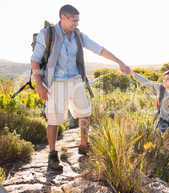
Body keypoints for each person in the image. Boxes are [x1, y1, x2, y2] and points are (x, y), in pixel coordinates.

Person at [31, 4, 131, 171]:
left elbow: (100, 49)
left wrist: (120, 62)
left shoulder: (78, 35)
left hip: (76, 80)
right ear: (63, 17)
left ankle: (84, 144)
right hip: (57, 82)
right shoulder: (47, 34)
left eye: (78, 20)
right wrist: (39, 84)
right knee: (54, 119)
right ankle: (52, 155)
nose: (76, 24)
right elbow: (35, 60)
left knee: (85, 113)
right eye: (74, 20)